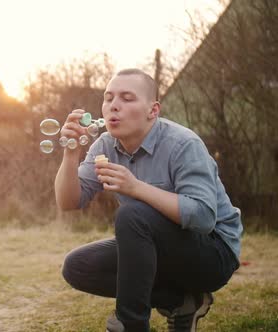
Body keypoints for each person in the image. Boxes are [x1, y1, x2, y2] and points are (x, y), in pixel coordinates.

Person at [55, 69, 242, 332]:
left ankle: (131, 324)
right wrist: (70, 155)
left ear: (153, 111)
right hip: (158, 248)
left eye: (127, 98)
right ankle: (181, 301)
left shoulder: (183, 144)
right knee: (77, 266)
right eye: (108, 98)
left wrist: (136, 187)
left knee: (132, 215)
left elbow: (203, 217)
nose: (114, 105)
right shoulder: (105, 146)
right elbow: (68, 202)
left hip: (213, 253)